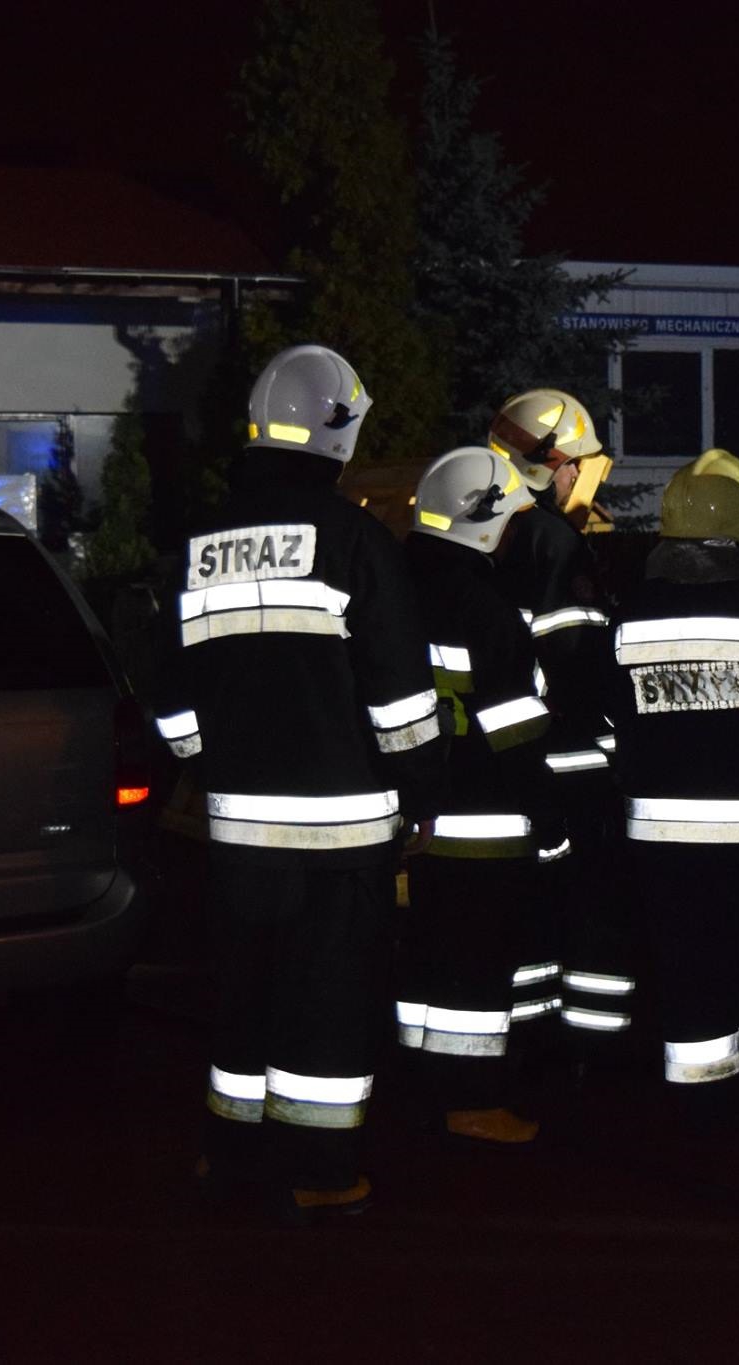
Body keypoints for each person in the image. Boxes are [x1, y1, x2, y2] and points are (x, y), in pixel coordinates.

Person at [151, 344, 443, 1223]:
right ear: (339, 432)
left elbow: (166, 692)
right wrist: (419, 795)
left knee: (242, 993)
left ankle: (230, 1154)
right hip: (342, 836)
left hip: (237, 832)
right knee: (326, 1001)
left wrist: (211, 764)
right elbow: (401, 700)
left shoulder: (197, 547)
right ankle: (319, 1167)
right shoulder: (356, 542)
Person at [602, 449, 739, 1131]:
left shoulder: (630, 612)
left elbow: (613, 719)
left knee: (688, 968)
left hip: (661, 841)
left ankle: (702, 1111)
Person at [393, 447, 555, 1144]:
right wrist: (550, 815)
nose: (517, 536)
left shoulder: (391, 591)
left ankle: (419, 1092)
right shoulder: (485, 607)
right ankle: (474, 1103)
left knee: (421, 965)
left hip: (406, 827)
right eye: (512, 522)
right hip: (483, 827)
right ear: (483, 523)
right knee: (477, 973)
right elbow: (514, 726)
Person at [487, 390, 636, 1067]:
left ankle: (528, 1045)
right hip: (573, 768)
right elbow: (579, 666)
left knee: (526, 918)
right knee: (595, 912)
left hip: (505, 765)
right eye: (579, 463)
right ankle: (594, 1052)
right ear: (551, 464)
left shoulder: (486, 529)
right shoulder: (552, 542)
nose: (586, 478)